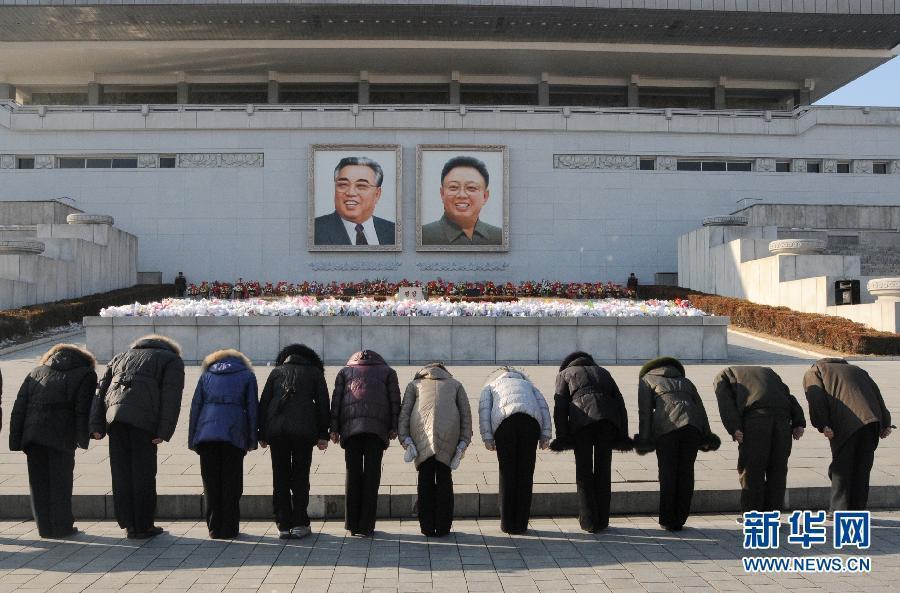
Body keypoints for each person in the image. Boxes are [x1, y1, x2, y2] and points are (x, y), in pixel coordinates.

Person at [90, 334, 185, 539]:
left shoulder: (120, 356)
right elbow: (171, 397)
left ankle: (128, 523)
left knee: (121, 472)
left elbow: (101, 391)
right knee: (143, 473)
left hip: (115, 419)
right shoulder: (171, 360)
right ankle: (143, 525)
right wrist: (163, 431)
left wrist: (97, 425)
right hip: (144, 422)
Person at [9, 344, 97, 538]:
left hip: (33, 436)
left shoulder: (36, 371)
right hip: (61, 436)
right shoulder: (86, 374)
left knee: (38, 483)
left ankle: (44, 528)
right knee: (60, 483)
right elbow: (82, 410)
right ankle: (62, 527)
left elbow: (20, 406)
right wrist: (84, 437)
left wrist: (16, 440)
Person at [634, 357, 720, 531]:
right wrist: (706, 435)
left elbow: (645, 412)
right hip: (693, 428)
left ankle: (667, 519)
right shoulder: (686, 381)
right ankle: (680, 519)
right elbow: (700, 409)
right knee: (686, 472)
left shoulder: (647, 380)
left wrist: (644, 439)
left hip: (668, 429)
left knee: (667, 473)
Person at [551, 351, 631, 533]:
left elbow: (560, 406)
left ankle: (588, 521)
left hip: (582, 423)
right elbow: (620, 403)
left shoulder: (564, 374)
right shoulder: (603, 372)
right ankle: (602, 520)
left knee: (584, 471)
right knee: (604, 469)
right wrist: (622, 435)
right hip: (608, 422)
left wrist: (563, 436)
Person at [258, 344, 330, 539]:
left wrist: (262, 434)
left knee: (279, 476)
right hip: (304, 432)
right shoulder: (315, 373)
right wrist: (323, 434)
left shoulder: (276, 372)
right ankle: (299, 522)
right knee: (300, 476)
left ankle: (282, 524)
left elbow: (264, 402)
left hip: (277, 432)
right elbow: (324, 404)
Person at [714, 365, 806, 519]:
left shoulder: (724, 375)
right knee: (778, 469)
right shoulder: (769, 372)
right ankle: (772, 515)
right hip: (783, 422)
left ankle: (752, 515)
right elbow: (789, 397)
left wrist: (734, 428)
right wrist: (798, 422)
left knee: (752, 469)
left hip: (756, 421)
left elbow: (726, 404)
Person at [803, 358, 893, 511]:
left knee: (842, 468)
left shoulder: (816, 371)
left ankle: (839, 510)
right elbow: (876, 394)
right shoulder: (858, 370)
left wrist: (822, 423)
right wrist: (885, 422)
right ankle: (857, 509)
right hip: (871, 422)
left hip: (846, 423)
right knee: (862, 468)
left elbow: (815, 398)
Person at [188, 349, 258, 540]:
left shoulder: (207, 375)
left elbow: (196, 407)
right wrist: (252, 439)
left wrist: (193, 439)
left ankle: (214, 527)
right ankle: (229, 527)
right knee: (232, 483)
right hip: (234, 435)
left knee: (211, 483)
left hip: (207, 435)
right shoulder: (247, 376)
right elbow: (252, 408)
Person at [330, 349, 401, 536]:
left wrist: (334, 428)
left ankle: (352, 524)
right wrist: (394, 426)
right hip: (377, 431)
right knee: (372, 475)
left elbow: (336, 401)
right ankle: (367, 525)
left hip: (351, 430)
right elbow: (395, 401)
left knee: (352, 474)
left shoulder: (345, 372)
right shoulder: (388, 372)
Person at [399, 362, 473, 537]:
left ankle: (426, 527)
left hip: (421, 435)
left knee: (424, 481)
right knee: (444, 481)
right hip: (448, 436)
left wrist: (405, 440)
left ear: (424, 372)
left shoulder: (414, 385)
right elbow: (466, 415)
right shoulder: (456, 385)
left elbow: (404, 414)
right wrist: (463, 442)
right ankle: (443, 527)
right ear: (444, 371)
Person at [479, 367, 551, 535]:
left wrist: (488, 438)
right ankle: (521, 523)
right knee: (525, 473)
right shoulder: (529, 385)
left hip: (505, 424)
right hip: (530, 423)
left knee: (507, 472)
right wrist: (545, 435)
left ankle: (507, 524)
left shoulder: (491, 386)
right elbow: (543, 408)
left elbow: (484, 412)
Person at [421, 155, 503, 246]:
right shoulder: (422, 236)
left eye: (471, 188)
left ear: (485, 196)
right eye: (453, 187)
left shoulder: (500, 237)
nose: (462, 195)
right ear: (442, 194)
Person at [314, 156, 396, 245]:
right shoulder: (314, 229)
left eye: (361, 186)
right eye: (343, 185)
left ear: (377, 194)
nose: (350, 193)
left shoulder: (394, 232)